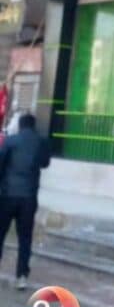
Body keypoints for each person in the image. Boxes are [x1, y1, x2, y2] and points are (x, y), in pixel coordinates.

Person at [0, 113, 51, 290]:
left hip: (7, 195)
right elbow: (45, 163)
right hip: (29, 198)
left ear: (20, 125)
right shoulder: (41, 142)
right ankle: (21, 276)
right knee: (25, 237)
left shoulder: (10, 141)